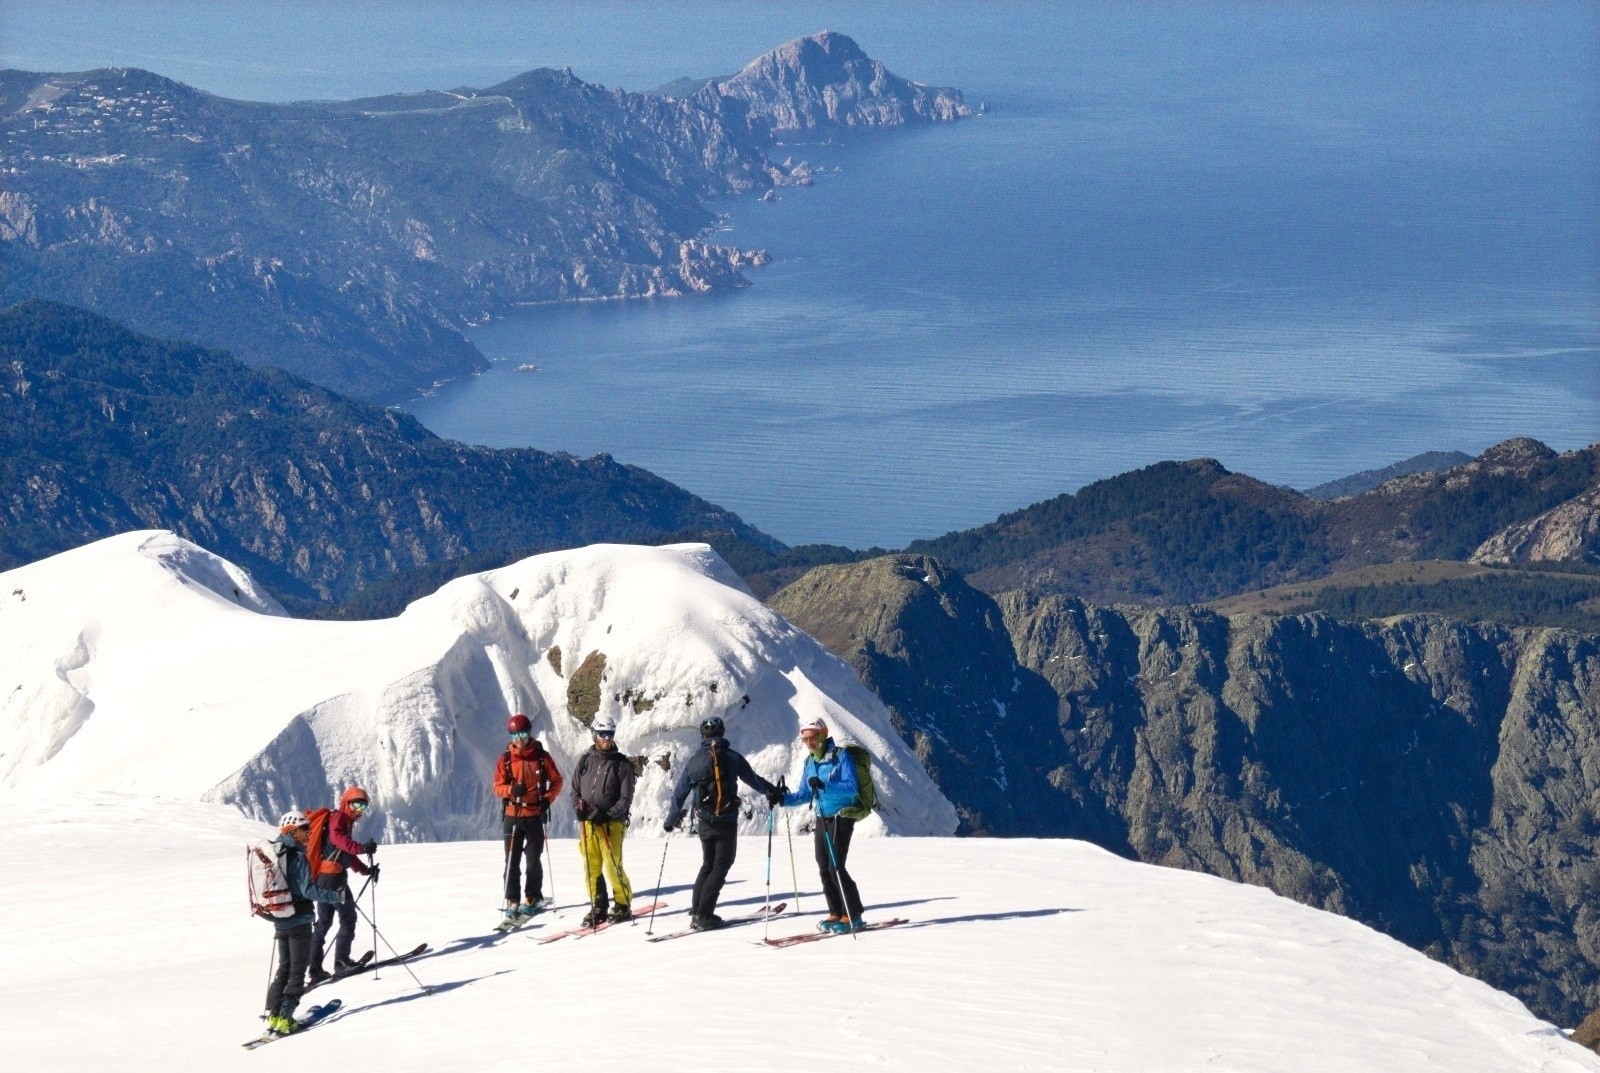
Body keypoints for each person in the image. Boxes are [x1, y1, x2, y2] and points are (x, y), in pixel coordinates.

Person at [665, 715, 785, 930]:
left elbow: (680, 792)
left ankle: (697, 909)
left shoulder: (695, 760)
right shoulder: (732, 757)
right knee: (721, 865)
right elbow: (754, 780)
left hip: (704, 821)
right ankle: (704, 914)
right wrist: (773, 791)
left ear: (702, 736)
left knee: (708, 864)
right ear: (722, 734)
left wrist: (671, 819)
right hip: (726, 820)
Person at [780, 718, 868, 934]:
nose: (809, 742)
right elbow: (805, 793)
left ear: (823, 734)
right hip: (822, 816)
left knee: (835, 866)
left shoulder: (841, 756)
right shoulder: (810, 763)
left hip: (841, 815)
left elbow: (852, 787)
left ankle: (853, 914)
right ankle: (835, 912)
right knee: (823, 866)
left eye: (813, 737)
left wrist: (825, 785)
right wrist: (783, 799)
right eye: (805, 739)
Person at [262, 810, 341, 1036]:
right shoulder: (297, 856)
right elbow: (308, 890)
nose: (309, 832)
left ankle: (275, 1016)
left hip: (280, 919)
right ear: (293, 831)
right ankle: (286, 1019)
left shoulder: (274, 853)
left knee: (283, 968)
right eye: (305, 828)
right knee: (297, 971)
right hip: (299, 920)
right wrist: (337, 896)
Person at [493, 713, 564, 924]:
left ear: (529, 733)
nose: (520, 739)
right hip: (512, 816)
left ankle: (533, 897)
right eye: (515, 735)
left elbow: (557, 781)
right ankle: (512, 900)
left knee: (533, 860)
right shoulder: (505, 759)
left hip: (534, 815)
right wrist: (511, 789)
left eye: (523, 734)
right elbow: (497, 787)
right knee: (512, 861)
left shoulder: (541, 757)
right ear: (511, 735)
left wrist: (547, 800)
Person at [571, 714, 636, 926]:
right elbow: (575, 790)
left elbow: (625, 798)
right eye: (602, 734)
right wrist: (579, 809)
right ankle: (598, 906)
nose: (607, 738)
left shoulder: (622, 764)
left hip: (611, 823)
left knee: (611, 865)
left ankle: (622, 903)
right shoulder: (585, 760)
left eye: (610, 734)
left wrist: (607, 815)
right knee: (591, 865)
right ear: (594, 735)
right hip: (589, 822)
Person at [308, 785, 377, 983]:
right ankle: (341, 962)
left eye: (362, 806)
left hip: (322, 879)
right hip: (333, 878)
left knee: (324, 923)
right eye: (355, 804)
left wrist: (365, 870)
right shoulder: (338, 818)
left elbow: (343, 853)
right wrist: (361, 848)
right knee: (347, 918)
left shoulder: (342, 820)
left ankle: (314, 968)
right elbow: (339, 841)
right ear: (346, 802)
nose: (358, 810)